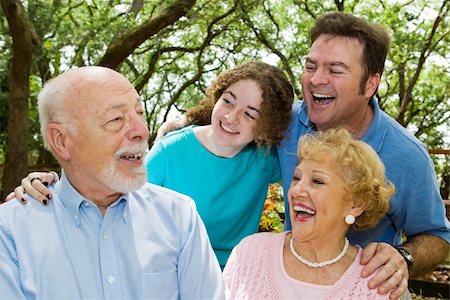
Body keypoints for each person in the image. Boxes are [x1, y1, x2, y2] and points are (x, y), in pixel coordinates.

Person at [126, 12, 450, 299]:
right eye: (311, 66)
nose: (316, 79)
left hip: (360, 283)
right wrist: (184, 124)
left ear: (370, 84)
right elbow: (236, 118)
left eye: (335, 70)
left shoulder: (408, 157)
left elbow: (438, 236)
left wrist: (402, 258)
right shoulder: (284, 122)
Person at [5, 61, 294, 268]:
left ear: (268, 125)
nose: (232, 117)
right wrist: (54, 183)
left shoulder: (265, 159)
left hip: (236, 273)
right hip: (171, 270)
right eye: (228, 101)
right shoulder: (172, 150)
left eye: (250, 114)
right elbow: (111, 186)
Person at [0, 66, 225, 299]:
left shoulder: (178, 216)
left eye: (139, 113)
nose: (142, 130)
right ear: (61, 141)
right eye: (116, 119)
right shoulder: (11, 231)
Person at [223, 127, 397, 299]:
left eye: (317, 181)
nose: (296, 190)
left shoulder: (375, 285)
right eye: (296, 178)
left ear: (357, 204)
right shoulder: (250, 252)